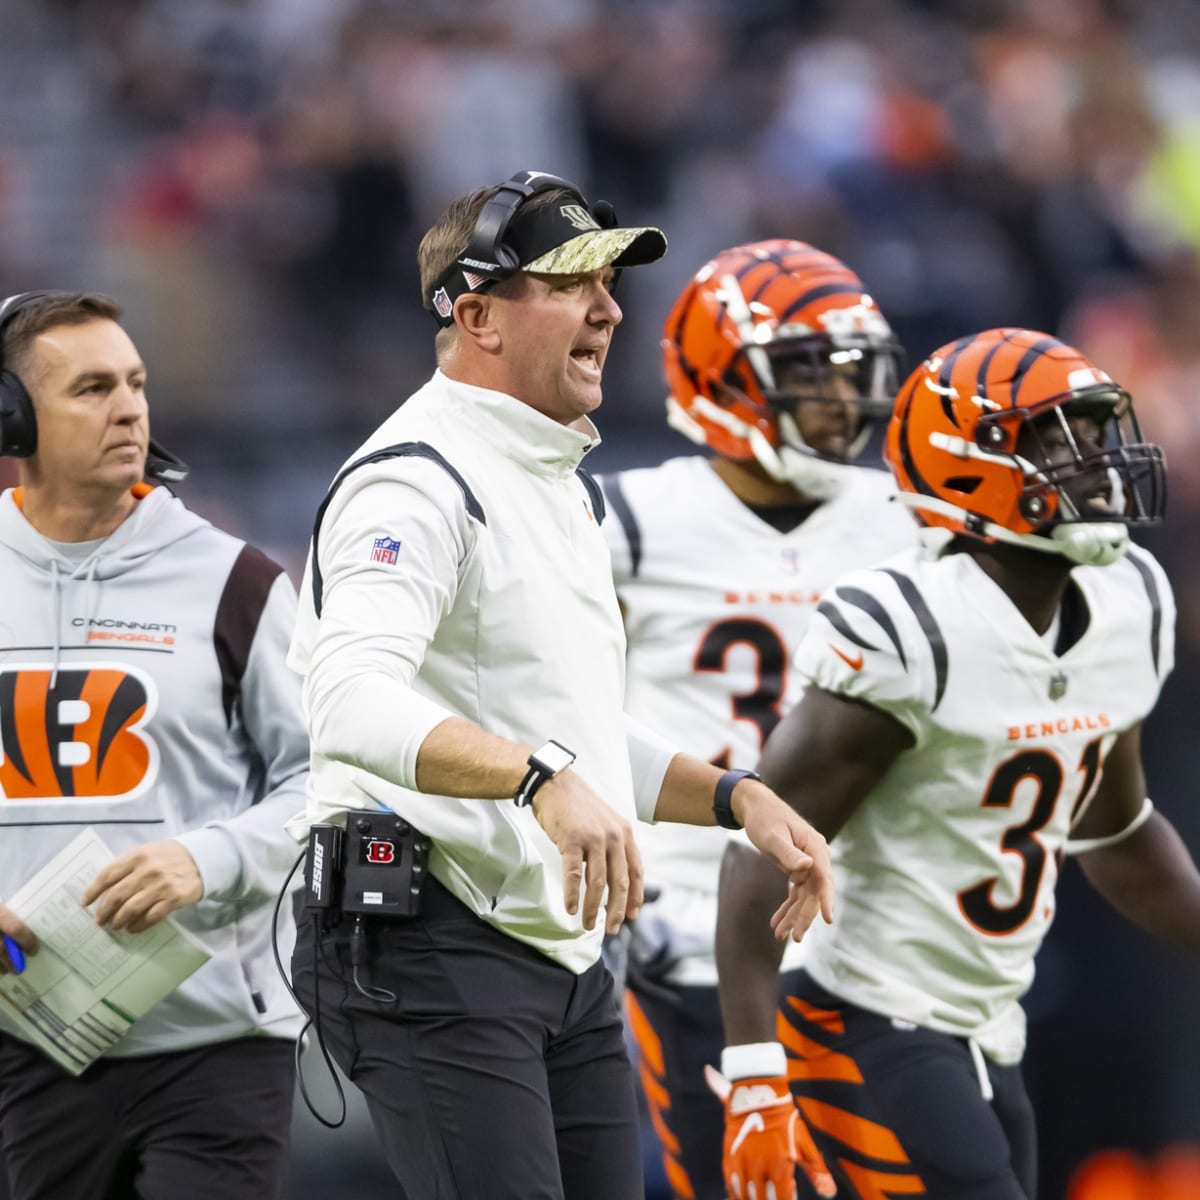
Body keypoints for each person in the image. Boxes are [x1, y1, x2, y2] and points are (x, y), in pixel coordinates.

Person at [285, 170, 836, 1200]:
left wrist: (734, 797)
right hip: (430, 934)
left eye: (611, 282)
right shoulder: (413, 478)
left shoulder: (552, 483)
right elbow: (347, 700)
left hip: (558, 949)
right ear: (478, 312)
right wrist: (538, 779)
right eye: (573, 280)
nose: (611, 307)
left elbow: (572, 734)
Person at [714, 327, 1200, 1200]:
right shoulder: (914, 632)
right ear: (972, 463)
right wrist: (754, 1075)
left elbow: (1116, 831)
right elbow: (762, 845)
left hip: (987, 1025)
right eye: (1063, 437)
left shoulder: (1129, 600)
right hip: (861, 1019)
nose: (1100, 460)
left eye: (1098, 432)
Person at [600, 239, 918, 1200]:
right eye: (807, 370)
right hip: (698, 926)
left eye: (852, 368)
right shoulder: (627, 519)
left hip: (877, 929)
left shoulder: (912, 516)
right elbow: (562, 710)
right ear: (720, 377)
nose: (840, 396)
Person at [0, 291, 309, 1200]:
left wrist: (205, 858)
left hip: (218, 1046)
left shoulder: (237, 579)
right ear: (12, 416)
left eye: (135, 383)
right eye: (92, 388)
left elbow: (332, 780)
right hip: (31, 1047)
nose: (130, 407)